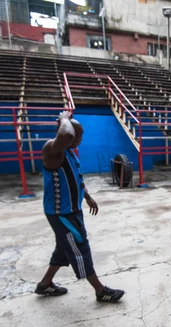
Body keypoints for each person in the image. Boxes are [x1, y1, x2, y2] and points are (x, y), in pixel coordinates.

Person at [35, 111, 125, 303]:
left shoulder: (68, 153)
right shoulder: (52, 149)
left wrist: (88, 197)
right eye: (79, 134)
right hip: (62, 213)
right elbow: (66, 134)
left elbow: (75, 178)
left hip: (71, 211)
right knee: (80, 248)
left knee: (63, 248)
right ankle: (101, 291)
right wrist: (65, 118)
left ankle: (45, 284)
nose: (82, 138)